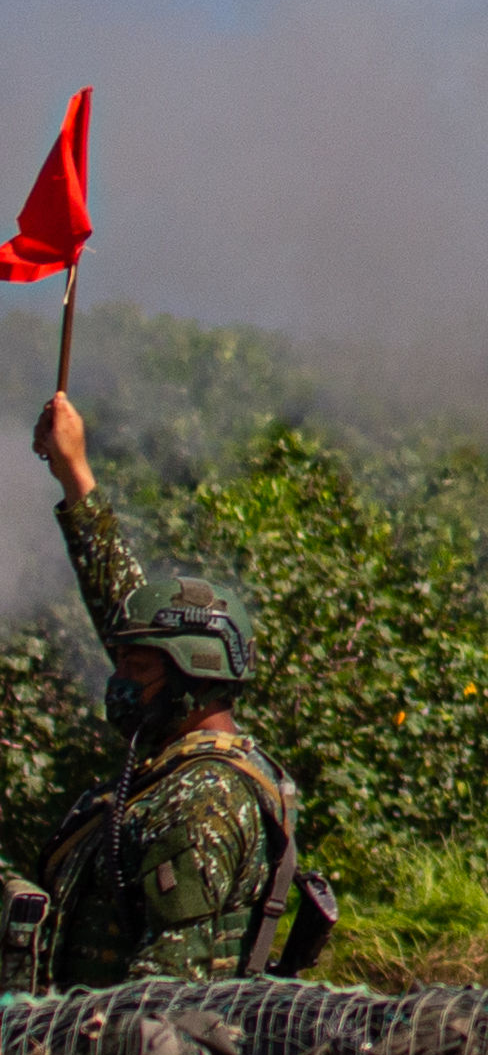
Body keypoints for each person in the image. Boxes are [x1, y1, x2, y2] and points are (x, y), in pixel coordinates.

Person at [18, 390, 306, 987]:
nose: (117, 680)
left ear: (188, 680)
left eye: (135, 669)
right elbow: (122, 608)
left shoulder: (201, 803)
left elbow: (157, 1009)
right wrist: (74, 474)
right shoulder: (173, 764)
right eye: (120, 662)